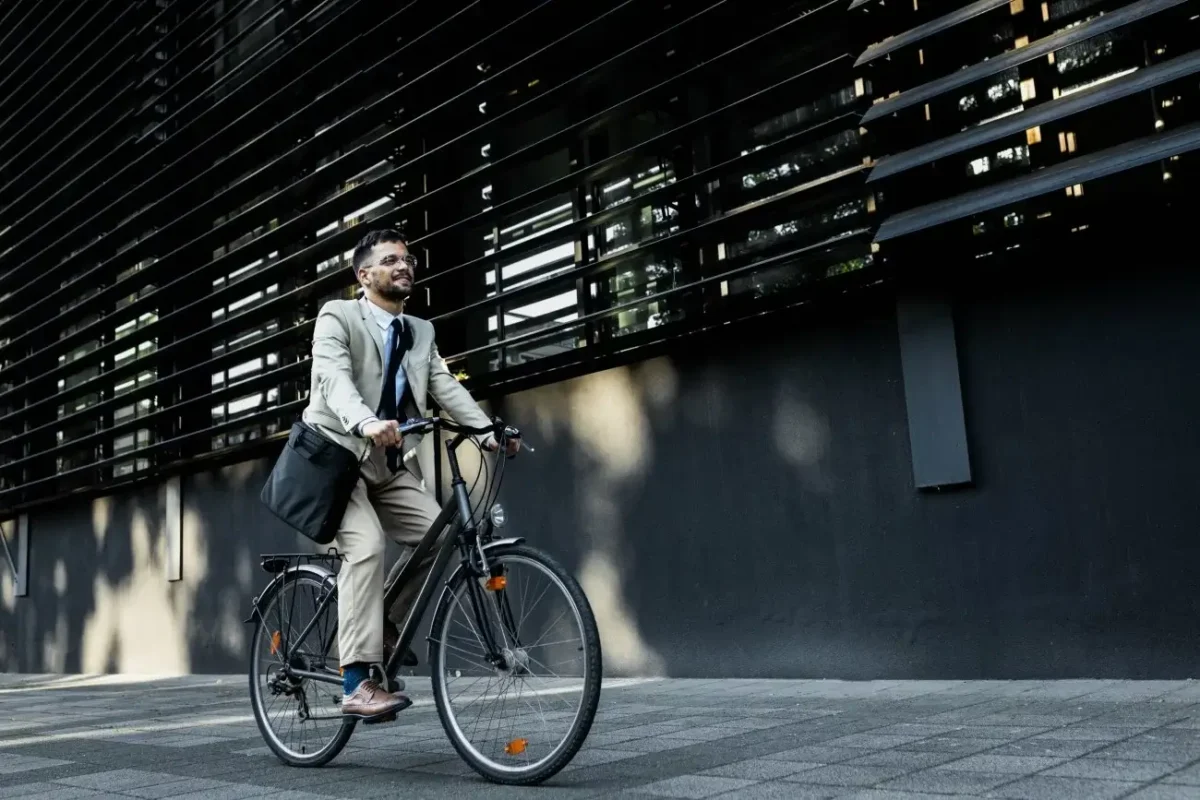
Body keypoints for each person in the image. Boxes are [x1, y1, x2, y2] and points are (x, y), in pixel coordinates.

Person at [302, 227, 520, 721]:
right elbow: (332, 378)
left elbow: (444, 385)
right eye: (391, 259)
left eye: (408, 258)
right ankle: (356, 681)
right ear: (364, 275)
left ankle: (380, 629)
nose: (405, 265)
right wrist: (366, 420)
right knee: (367, 546)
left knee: (441, 536)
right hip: (338, 457)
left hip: (388, 463)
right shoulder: (337, 316)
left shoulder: (420, 331)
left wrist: (487, 432)